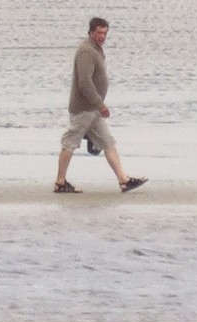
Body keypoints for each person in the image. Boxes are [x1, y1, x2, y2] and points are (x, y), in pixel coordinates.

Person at [54, 17, 146, 195]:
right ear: (90, 32)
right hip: (84, 109)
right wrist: (100, 104)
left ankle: (123, 180)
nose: (102, 36)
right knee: (70, 143)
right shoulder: (86, 52)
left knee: (108, 142)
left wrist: (98, 106)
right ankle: (60, 182)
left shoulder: (96, 49)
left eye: (105, 33)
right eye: (99, 33)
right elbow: (84, 82)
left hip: (94, 110)